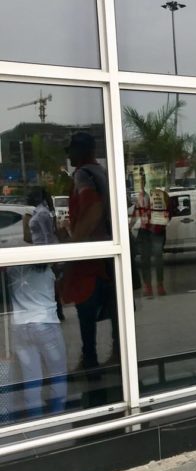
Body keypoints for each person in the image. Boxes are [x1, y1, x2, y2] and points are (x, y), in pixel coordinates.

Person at [60, 132, 118, 379]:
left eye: (71, 150)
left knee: (86, 315)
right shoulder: (102, 172)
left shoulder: (83, 174)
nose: (69, 155)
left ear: (82, 151)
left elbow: (93, 209)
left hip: (90, 262)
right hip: (109, 260)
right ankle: (117, 357)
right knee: (114, 312)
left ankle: (91, 365)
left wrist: (74, 245)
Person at [7, 189, 67, 419]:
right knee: (57, 373)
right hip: (46, 323)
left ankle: (34, 420)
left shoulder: (13, 257)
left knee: (31, 379)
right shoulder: (48, 260)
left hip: (20, 326)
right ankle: (58, 416)